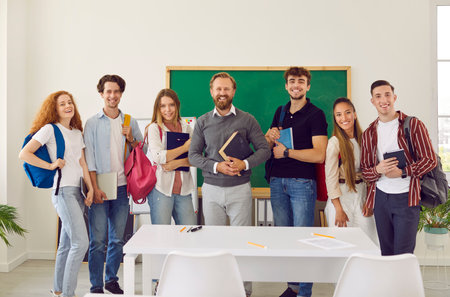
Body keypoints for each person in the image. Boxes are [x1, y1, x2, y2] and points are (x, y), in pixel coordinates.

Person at [188, 72, 271, 297]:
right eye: (218, 89)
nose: (222, 93)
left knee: (242, 243)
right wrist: (217, 167)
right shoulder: (203, 121)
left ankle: (243, 291)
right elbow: (193, 156)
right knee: (214, 244)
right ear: (211, 92)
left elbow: (264, 150)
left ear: (233, 91)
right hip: (212, 190)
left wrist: (244, 164)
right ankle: (217, 288)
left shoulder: (247, 119)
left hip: (240, 190)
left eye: (226, 89)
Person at [19, 91, 94, 297]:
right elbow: (24, 153)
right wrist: (51, 165)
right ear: (55, 109)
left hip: (78, 191)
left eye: (70, 102)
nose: (68, 106)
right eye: (62, 104)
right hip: (63, 192)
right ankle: (69, 294)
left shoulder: (77, 132)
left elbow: (82, 163)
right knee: (81, 243)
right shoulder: (49, 130)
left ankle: (58, 290)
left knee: (66, 244)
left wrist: (91, 188)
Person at [265, 67, 328, 297]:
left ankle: (304, 292)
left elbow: (319, 154)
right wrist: (268, 137)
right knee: (285, 239)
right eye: (292, 81)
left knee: (303, 240)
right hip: (277, 181)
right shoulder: (280, 112)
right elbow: (269, 146)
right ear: (286, 85)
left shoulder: (316, 114)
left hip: (302, 182)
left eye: (301, 81)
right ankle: (292, 288)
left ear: (307, 86)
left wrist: (288, 153)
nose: (296, 85)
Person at [361, 80, 437, 255]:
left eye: (387, 95)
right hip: (380, 199)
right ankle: (390, 284)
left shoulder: (413, 125)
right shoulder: (368, 133)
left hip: (406, 198)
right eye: (378, 96)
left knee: (403, 254)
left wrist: (403, 172)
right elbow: (366, 171)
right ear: (372, 101)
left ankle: (404, 284)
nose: (383, 100)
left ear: (394, 97)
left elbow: (430, 160)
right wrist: (377, 170)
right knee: (386, 253)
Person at [84, 74, 143, 294]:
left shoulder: (129, 121)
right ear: (101, 94)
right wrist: (93, 187)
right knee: (98, 241)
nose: (112, 95)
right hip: (99, 184)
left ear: (121, 94)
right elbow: (88, 157)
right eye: (108, 91)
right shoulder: (91, 123)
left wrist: (131, 139)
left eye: (116, 91)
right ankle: (96, 285)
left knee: (117, 239)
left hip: (122, 187)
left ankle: (111, 280)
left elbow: (141, 152)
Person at [324, 97, 378, 245]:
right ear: (335, 118)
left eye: (347, 112)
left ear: (354, 114)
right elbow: (330, 178)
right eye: (339, 114)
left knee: (369, 241)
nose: (344, 118)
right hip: (341, 197)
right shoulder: (334, 143)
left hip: (362, 194)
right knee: (342, 242)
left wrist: (369, 200)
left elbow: (372, 171)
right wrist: (338, 209)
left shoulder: (365, 139)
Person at [145, 88, 196, 225]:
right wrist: (185, 148)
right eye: (163, 106)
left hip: (184, 190)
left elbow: (198, 158)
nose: (168, 109)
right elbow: (158, 157)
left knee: (189, 234)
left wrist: (177, 163)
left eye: (171, 105)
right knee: (161, 237)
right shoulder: (155, 128)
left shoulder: (187, 128)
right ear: (158, 108)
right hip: (161, 190)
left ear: (177, 105)